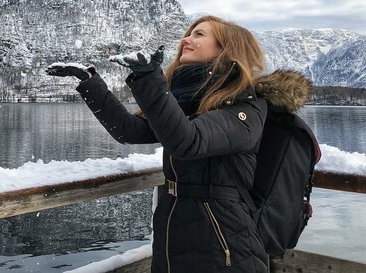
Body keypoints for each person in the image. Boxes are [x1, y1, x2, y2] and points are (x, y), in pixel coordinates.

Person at [46, 15, 271, 273]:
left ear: (227, 49)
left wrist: (150, 78)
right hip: (174, 232)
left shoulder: (244, 108)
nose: (186, 39)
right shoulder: (188, 103)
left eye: (199, 35)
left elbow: (188, 142)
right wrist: (89, 81)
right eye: (189, 33)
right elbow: (129, 131)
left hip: (225, 243)